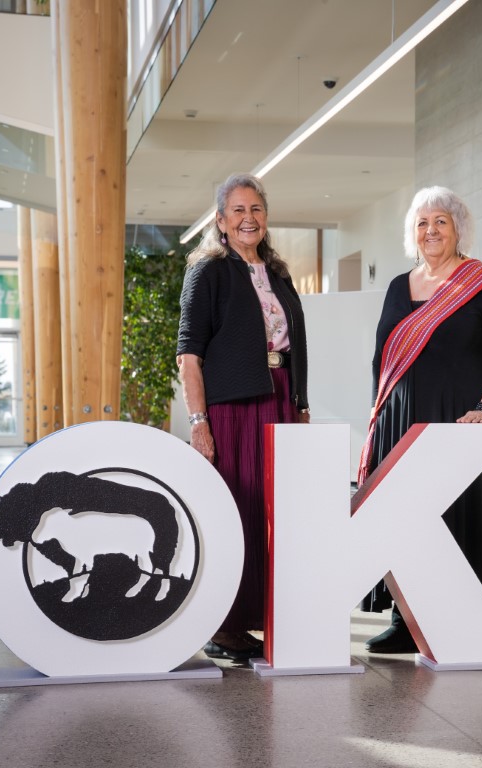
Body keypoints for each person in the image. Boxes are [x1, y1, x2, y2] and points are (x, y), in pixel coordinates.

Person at [358, 186, 482, 653]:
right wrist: (378, 413)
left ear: (458, 229)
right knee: (404, 517)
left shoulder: (481, 283)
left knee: (457, 515)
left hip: (462, 421)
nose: (430, 231)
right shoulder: (398, 286)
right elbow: (382, 357)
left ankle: (461, 616)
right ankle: (405, 620)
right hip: (401, 421)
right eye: (422, 223)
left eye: (440, 222)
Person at [177, 173, 310, 661]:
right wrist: (199, 422)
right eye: (238, 210)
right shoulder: (207, 271)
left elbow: (294, 346)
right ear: (220, 220)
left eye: (256, 209)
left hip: (279, 399)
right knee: (237, 511)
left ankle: (264, 615)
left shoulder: (278, 273)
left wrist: (301, 404)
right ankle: (224, 625)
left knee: (276, 514)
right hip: (233, 408)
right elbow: (189, 355)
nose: (248, 218)